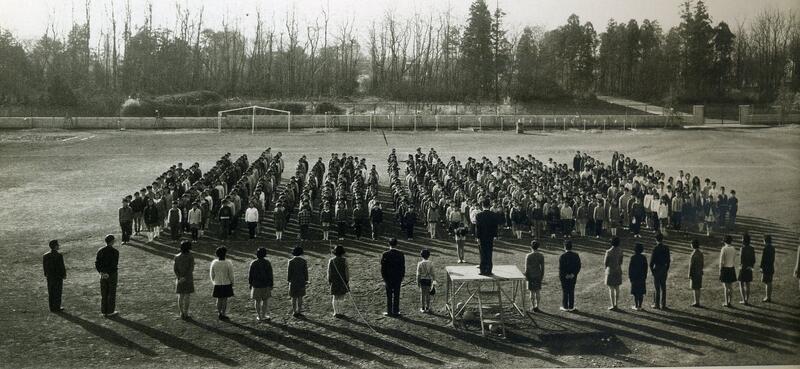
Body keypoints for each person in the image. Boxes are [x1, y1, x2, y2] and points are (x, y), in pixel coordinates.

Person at [95, 234, 119, 317]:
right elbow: (114, 265)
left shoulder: (100, 251)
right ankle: (110, 311)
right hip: (112, 275)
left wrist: (102, 272)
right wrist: (108, 273)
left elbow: (97, 263)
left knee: (104, 293)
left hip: (102, 274)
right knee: (111, 293)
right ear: (112, 241)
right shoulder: (115, 252)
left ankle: (103, 310)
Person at [381, 238, 405, 317]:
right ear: (396, 244)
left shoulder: (385, 254)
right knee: (397, 294)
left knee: (389, 295)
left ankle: (389, 311)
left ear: (389, 244)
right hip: (397, 277)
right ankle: (396, 311)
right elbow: (402, 267)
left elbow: (383, 268)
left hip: (388, 278)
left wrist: (384, 278)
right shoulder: (401, 254)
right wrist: (402, 277)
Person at [249, 247, 274, 321]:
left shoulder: (253, 263)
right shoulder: (267, 263)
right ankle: (263, 315)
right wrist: (271, 284)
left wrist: (250, 283)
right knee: (265, 301)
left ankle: (259, 316)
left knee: (257, 301)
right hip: (265, 285)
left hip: (256, 285)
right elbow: (270, 274)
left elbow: (250, 275)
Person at [475, 198, 499, 275]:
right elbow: (495, 226)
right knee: (489, 253)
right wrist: (495, 236)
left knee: (482, 253)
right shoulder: (493, 215)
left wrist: (478, 237)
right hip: (490, 237)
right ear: (489, 205)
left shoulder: (479, 215)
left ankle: (482, 270)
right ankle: (489, 270)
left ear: (482, 205)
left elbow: (478, 228)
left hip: (482, 237)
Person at [210, 246, 235, 320]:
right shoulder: (228, 263)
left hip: (217, 283)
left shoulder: (214, 262)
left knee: (219, 299)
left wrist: (213, 281)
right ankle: (223, 313)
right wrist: (232, 282)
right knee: (224, 299)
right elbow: (231, 274)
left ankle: (219, 313)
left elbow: (212, 274)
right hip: (226, 283)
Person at [43, 240, 66, 312]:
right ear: (55, 246)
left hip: (50, 277)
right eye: (57, 245)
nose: (58, 246)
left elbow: (44, 266)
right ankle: (57, 307)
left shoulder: (45, 255)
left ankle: (52, 307)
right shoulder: (59, 255)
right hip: (58, 277)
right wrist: (64, 275)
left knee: (51, 291)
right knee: (58, 292)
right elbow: (61, 266)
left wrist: (46, 274)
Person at [173, 240, 195, 319]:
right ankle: (186, 312)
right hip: (188, 279)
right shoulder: (190, 256)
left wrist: (180, 277)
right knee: (187, 296)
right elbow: (191, 269)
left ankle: (181, 312)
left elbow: (175, 269)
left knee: (180, 296)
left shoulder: (177, 257)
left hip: (179, 279)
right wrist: (185, 277)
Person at [558, 240, 581, 312]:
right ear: (572, 247)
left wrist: (565, 275)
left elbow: (561, 268)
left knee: (565, 291)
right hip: (573, 276)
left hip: (564, 277)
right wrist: (573, 274)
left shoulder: (562, 256)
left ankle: (565, 306)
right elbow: (578, 266)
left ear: (564, 247)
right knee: (571, 291)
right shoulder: (576, 255)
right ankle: (571, 306)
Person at [649, 233, 670, 309]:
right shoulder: (666, 248)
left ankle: (656, 304)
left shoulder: (655, 249)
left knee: (656, 287)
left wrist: (652, 271)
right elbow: (668, 261)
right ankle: (663, 304)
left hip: (657, 268)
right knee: (663, 287)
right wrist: (666, 269)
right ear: (662, 239)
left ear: (656, 240)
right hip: (664, 268)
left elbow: (651, 263)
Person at [327, 245, 349, 318]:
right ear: (342, 253)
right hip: (343, 280)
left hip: (334, 280)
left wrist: (329, 280)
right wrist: (347, 280)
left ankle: (335, 312)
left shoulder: (331, 260)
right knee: (341, 297)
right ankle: (340, 312)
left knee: (335, 297)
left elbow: (329, 271)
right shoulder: (345, 260)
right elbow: (346, 271)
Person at [288, 246, 309, 318]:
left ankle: (294, 311)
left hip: (293, 281)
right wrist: (306, 280)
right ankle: (299, 311)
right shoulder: (303, 261)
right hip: (301, 280)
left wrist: (288, 280)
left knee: (293, 297)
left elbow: (289, 272)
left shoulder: (291, 261)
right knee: (300, 297)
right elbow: (305, 272)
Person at [524, 240, 545, 312]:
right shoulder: (541, 255)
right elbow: (542, 268)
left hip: (530, 275)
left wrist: (526, 276)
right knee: (537, 291)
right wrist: (541, 276)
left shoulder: (528, 256)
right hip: (538, 275)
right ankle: (537, 306)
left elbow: (526, 268)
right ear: (538, 247)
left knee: (531, 292)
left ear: (531, 247)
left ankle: (533, 306)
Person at [604, 237, 624, 310]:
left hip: (610, 270)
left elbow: (605, 263)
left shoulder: (608, 252)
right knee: (617, 288)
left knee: (611, 288)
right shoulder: (621, 251)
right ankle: (616, 304)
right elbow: (621, 261)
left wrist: (606, 268)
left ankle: (612, 305)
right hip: (618, 270)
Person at [719, 235, 738, 308]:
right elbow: (734, 259)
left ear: (724, 241)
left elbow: (721, 261)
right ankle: (730, 301)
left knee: (726, 287)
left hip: (725, 269)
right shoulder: (733, 248)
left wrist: (720, 270)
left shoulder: (724, 249)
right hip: (731, 268)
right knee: (730, 287)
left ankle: (726, 302)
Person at [628, 243, 648, 310]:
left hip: (635, 277)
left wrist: (630, 277)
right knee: (641, 292)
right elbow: (646, 268)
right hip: (642, 277)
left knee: (636, 292)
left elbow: (630, 269)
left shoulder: (633, 257)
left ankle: (636, 305)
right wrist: (645, 276)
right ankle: (640, 305)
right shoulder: (644, 258)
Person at [738, 233, 756, 305]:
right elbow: (754, 260)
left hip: (743, 268)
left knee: (741, 283)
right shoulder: (752, 248)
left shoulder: (742, 248)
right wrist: (751, 266)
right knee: (748, 284)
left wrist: (740, 266)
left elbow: (741, 260)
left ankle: (743, 300)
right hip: (749, 268)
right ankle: (747, 300)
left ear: (744, 240)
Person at [416, 249, 435, 313]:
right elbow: (433, 273)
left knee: (422, 294)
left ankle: (423, 308)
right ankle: (428, 307)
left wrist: (417, 282)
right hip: (428, 280)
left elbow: (418, 274)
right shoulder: (431, 263)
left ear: (421, 256)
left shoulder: (420, 264)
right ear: (429, 256)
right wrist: (434, 281)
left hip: (422, 280)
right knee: (428, 294)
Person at [688, 239, 704, 307]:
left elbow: (691, 265)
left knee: (695, 288)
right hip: (699, 272)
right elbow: (702, 263)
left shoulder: (693, 254)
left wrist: (689, 274)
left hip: (694, 272)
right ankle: (698, 301)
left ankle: (696, 302)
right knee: (698, 288)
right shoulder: (700, 253)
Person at [759, 235, 775, 303]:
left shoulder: (765, 248)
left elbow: (763, 259)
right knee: (770, 282)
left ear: (765, 241)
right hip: (771, 266)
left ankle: (767, 297)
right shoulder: (773, 248)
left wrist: (761, 267)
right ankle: (769, 296)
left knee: (767, 283)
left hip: (766, 267)